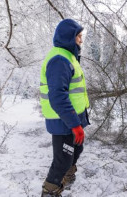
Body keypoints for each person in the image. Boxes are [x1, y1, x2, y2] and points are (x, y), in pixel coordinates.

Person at [39, 19, 90, 196]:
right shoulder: (59, 59)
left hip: (72, 118)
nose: (81, 41)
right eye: (78, 37)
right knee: (63, 158)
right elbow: (57, 96)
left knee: (76, 149)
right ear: (69, 37)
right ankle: (50, 190)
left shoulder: (68, 56)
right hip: (63, 121)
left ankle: (67, 175)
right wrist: (74, 124)